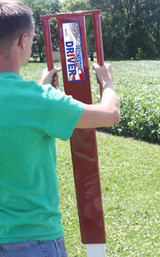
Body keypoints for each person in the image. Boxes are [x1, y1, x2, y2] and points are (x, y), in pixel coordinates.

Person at [0, 0, 120, 256]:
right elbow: (110, 114)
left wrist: (42, 87)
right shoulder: (37, 100)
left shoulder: (35, 99)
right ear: (23, 40)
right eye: (32, 38)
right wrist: (107, 83)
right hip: (34, 239)